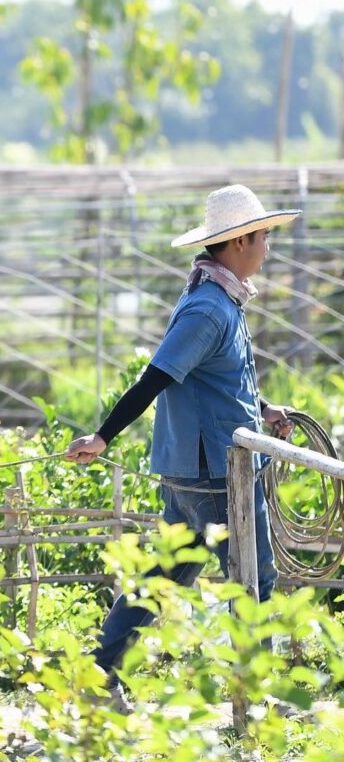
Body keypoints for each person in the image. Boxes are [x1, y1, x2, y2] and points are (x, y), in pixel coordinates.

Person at [64, 184, 300, 714]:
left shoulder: (217, 298)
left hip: (195, 467)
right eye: (263, 238)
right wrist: (104, 436)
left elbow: (219, 381)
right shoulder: (209, 309)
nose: (267, 248)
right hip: (217, 474)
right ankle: (253, 698)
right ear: (239, 242)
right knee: (252, 576)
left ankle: (100, 676)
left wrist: (262, 410)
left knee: (165, 574)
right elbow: (157, 378)